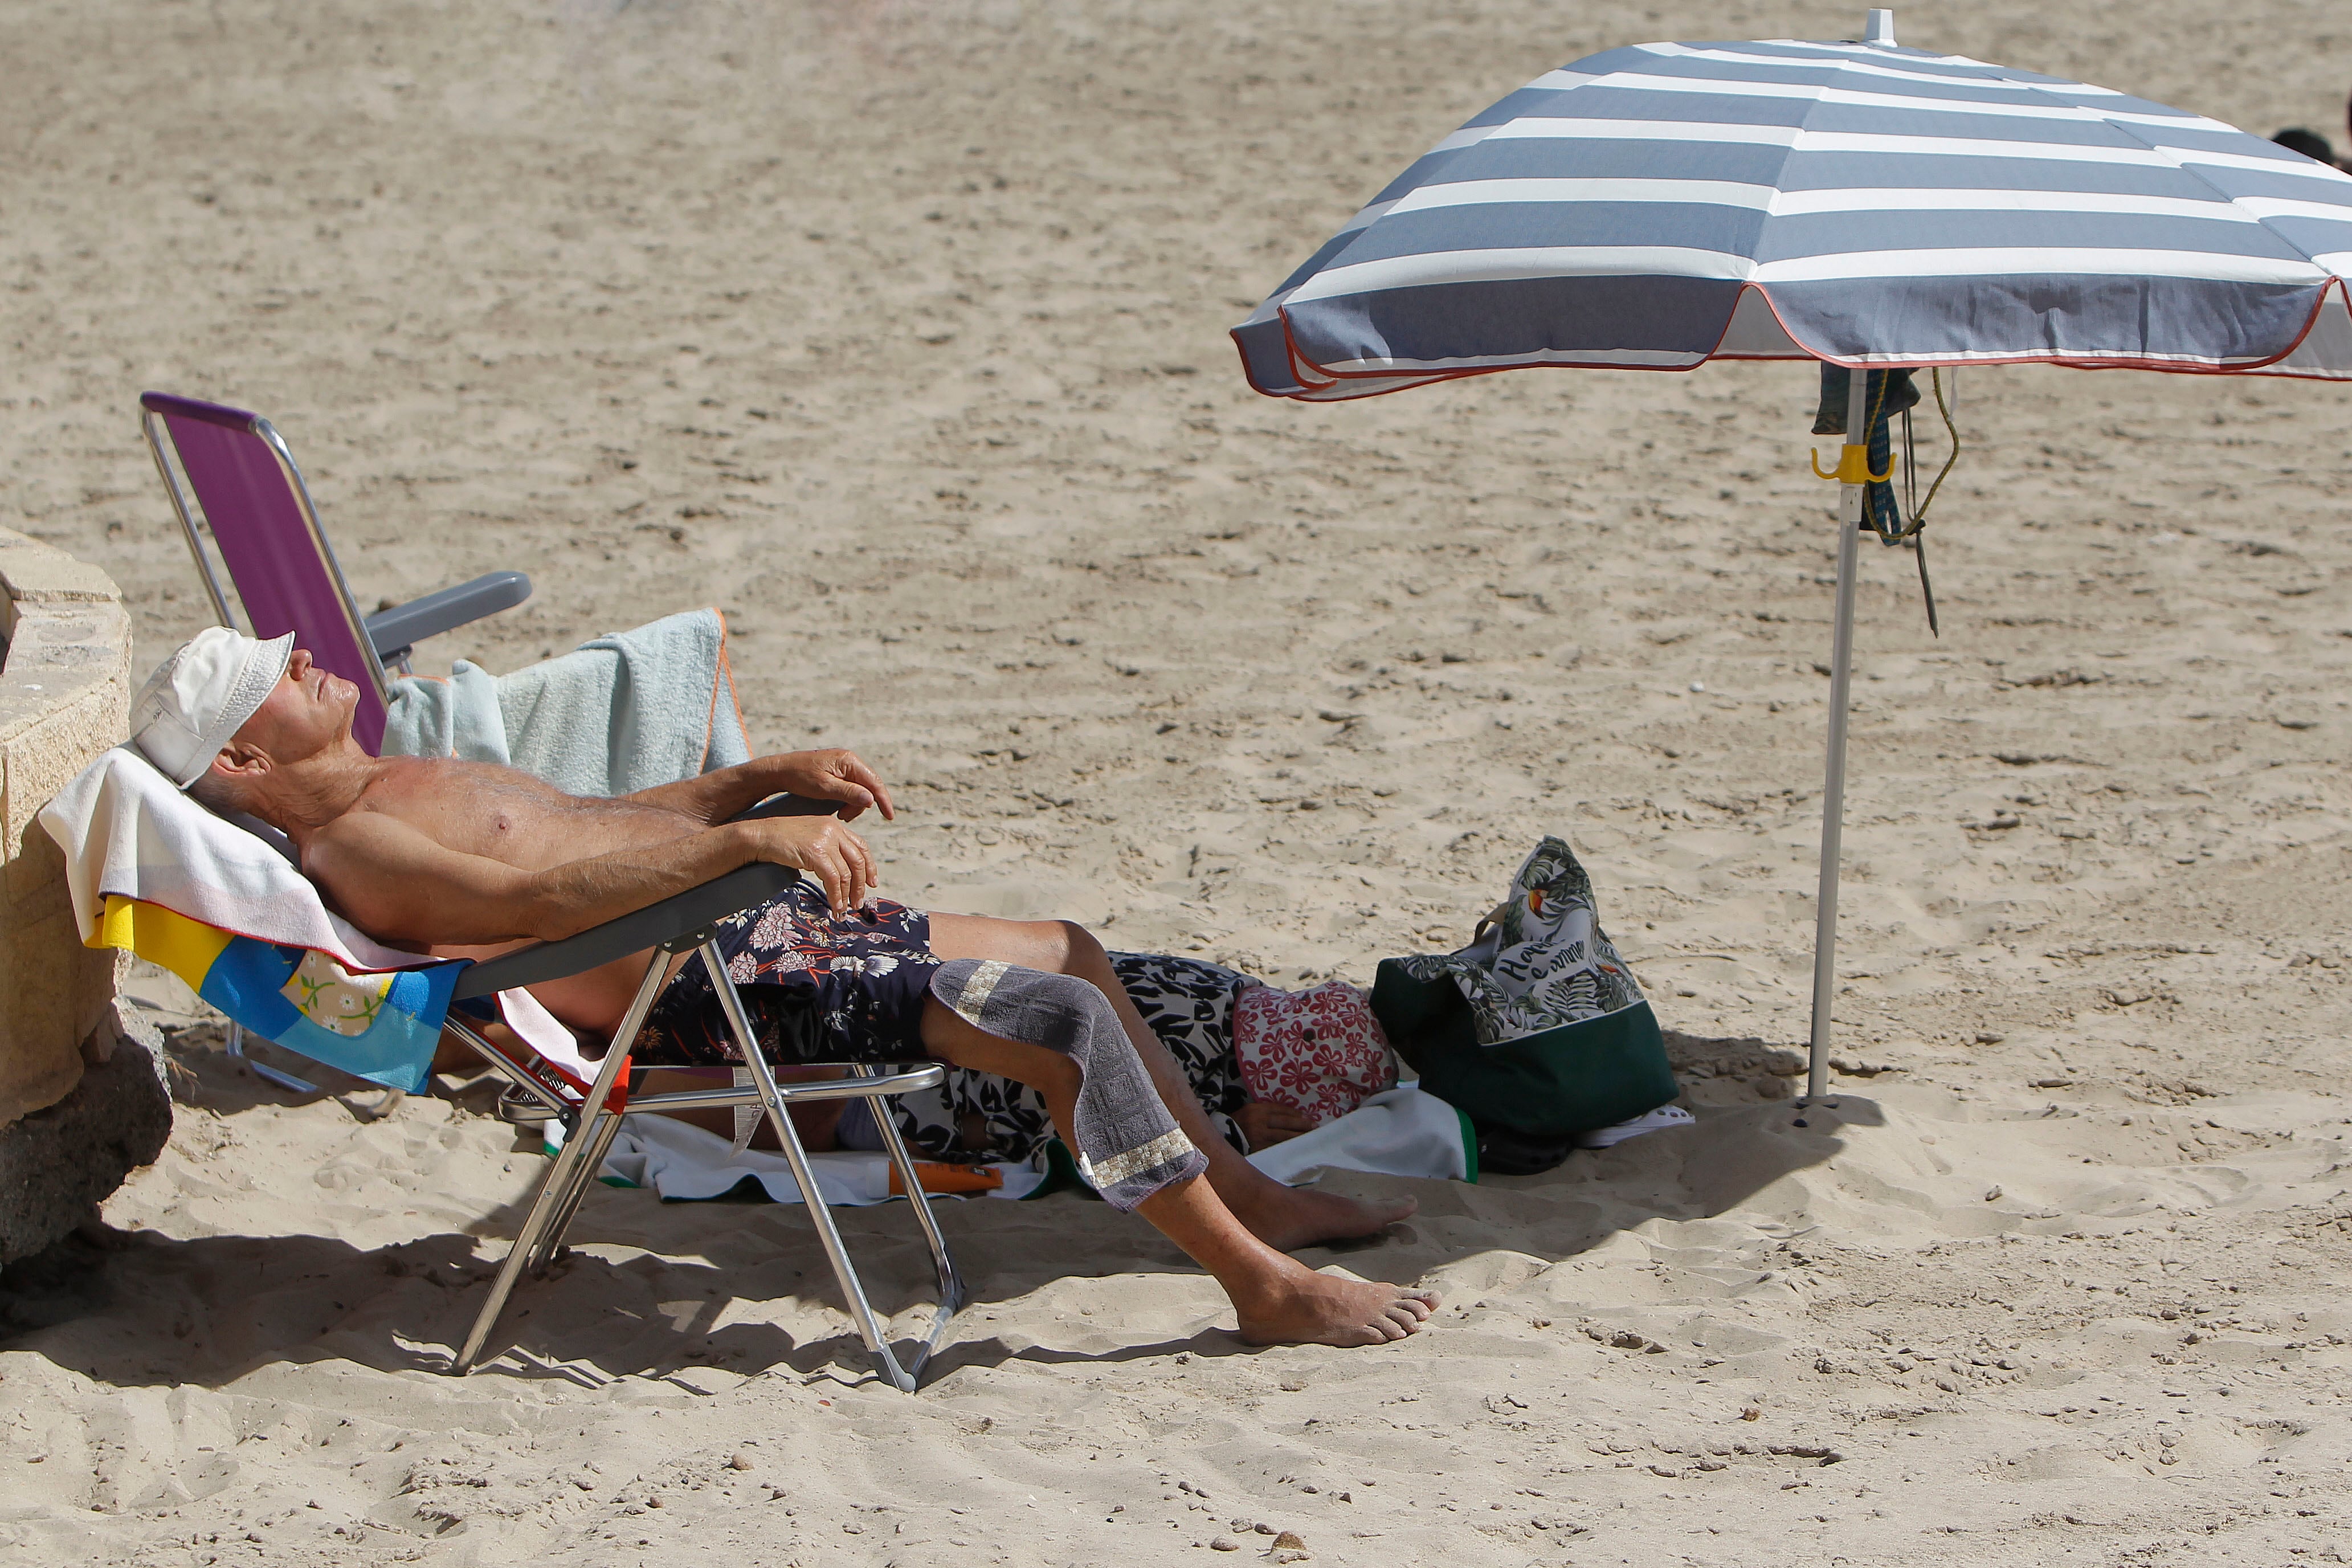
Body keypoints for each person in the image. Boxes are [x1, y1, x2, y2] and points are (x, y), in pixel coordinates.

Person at [128, 627, 1437, 1348]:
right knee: (1060, 1019)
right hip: (716, 991)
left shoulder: (402, 775)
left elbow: (596, 826)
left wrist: (752, 788)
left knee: (1073, 947)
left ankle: (1249, 1187)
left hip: (744, 930)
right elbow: (527, 910)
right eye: (271, 676)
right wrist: (743, 847)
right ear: (245, 755)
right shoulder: (355, 842)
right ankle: (1259, 1283)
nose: (300, 654)